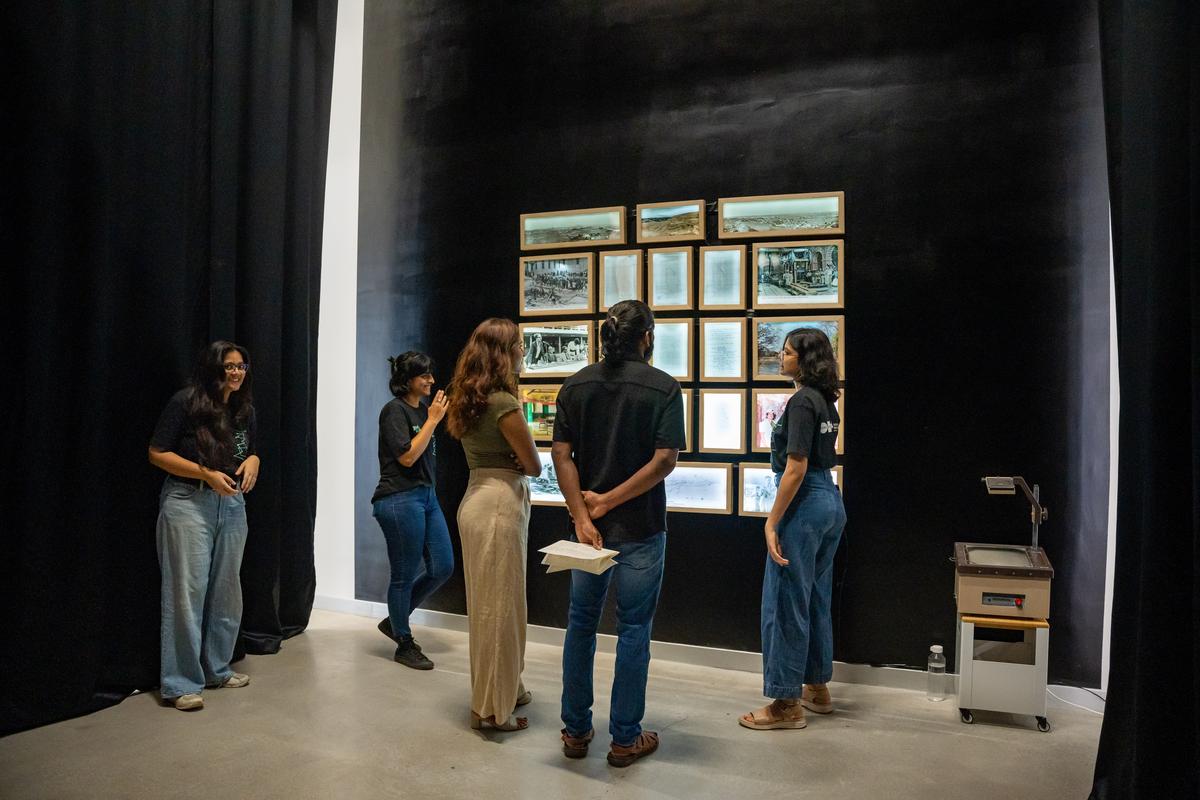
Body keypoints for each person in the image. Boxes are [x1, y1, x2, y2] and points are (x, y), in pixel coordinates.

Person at [552, 299, 685, 767]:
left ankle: (574, 731)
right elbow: (665, 460)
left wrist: (585, 514)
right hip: (641, 528)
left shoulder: (576, 385)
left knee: (580, 625)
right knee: (633, 631)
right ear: (647, 338)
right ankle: (625, 738)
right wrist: (608, 502)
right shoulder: (663, 388)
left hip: (586, 532)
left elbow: (561, 454)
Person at [740, 327, 845, 731]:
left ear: (804, 360)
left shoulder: (802, 401)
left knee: (785, 601)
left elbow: (796, 466)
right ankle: (816, 688)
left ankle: (786, 703)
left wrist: (771, 521)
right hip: (829, 502)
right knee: (814, 597)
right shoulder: (825, 400)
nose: (780, 358)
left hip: (804, 504)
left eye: (786, 353)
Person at [148, 341, 261, 712]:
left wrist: (255, 459)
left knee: (227, 590)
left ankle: (217, 668)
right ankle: (180, 683)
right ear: (213, 368)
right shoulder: (186, 402)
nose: (237, 372)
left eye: (241, 366)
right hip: (187, 501)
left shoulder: (243, 409)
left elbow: (248, 449)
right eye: (230, 366)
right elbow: (157, 453)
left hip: (231, 504)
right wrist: (205, 474)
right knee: (187, 592)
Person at [445, 318, 541, 732]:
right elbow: (535, 464)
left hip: (477, 498)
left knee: (488, 607)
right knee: (501, 609)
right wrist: (522, 459)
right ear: (504, 352)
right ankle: (492, 710)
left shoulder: (467, 396)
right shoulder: (503, 402)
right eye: (518, 345)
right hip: (501, 502)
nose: (522, 351)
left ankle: (502, 690)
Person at [371, 351, 453, 670]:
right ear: (407, 381)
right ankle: (403, 642)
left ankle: (395, 620)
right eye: (424, 375)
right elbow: (406, 458)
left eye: (431, 373)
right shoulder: (394, 411)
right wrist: (433, 421)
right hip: (398, 498)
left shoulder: (421, 410)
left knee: (443, 566)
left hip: (426, 497)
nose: (431, 380)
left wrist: (430, 419)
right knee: (403, 574)